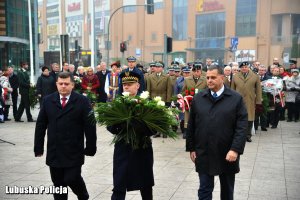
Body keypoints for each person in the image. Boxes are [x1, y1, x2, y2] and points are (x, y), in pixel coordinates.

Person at [186, 65, 248, 200]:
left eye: (213, 77)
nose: (209, 80)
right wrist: (191, 148)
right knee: (204, 190)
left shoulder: (235, 98)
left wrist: (235, 149)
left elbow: (241, 127)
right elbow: (191, 125)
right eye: (207, 77)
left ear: (222, 78)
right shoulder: (199, 98)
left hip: (227, 152)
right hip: (204, 151)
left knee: (227, 191)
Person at [34, 72, 97, 200]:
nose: (63, 86)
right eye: (60, 83)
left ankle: (83, 195)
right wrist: (38, 147)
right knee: (58, 185)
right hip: (55, 150)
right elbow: (41, 125)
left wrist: (91, 147)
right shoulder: (48, 100)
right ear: (56, 84)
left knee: (72, 178)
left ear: (72, 85)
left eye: (66, 84)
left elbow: (90, 126)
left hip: (73, 150)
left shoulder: (82, 101)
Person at [107, 71, 155, 200]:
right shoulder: (118, 103)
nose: (126, 87)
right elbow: (109, 125)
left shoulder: (147, 102)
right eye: (124, 85)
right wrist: (121, 126)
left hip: (142, 148)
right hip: (123, 148)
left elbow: (155, 128)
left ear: (138, 86)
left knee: (145, 184)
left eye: (130, 84)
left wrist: (139, 127)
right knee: (119, 183)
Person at [231, 62, 262, 142]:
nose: (244, 68)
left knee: (249, 118)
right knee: (238, 118)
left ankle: (248, 135)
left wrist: (258, 101)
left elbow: (258, 90)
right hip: (238, 100)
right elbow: (232, 89)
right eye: (242, 67)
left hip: (250, 100)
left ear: (248, 67)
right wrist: (231, 101)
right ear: (240, 68)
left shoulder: (255, 76)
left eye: (246, 67)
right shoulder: (235, 76)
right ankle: (238, 136)